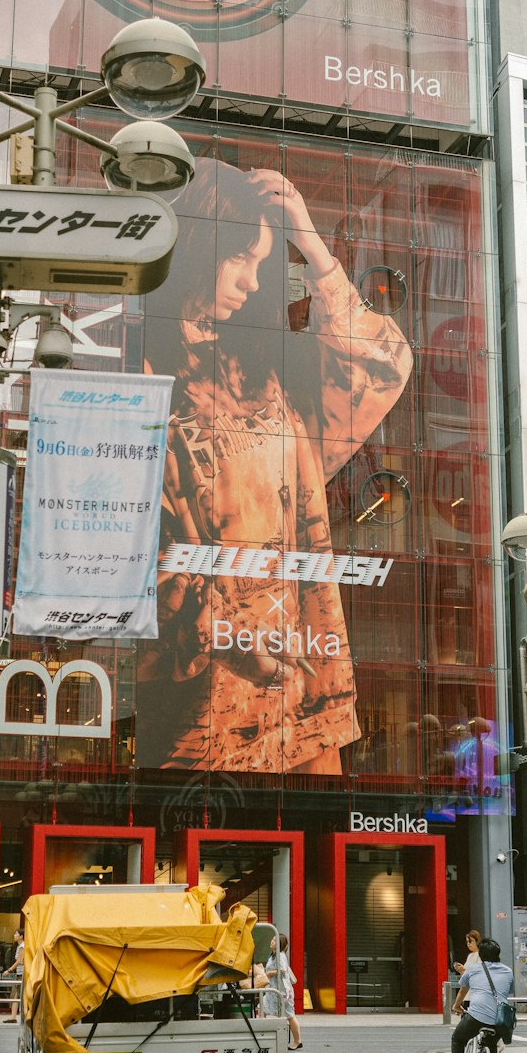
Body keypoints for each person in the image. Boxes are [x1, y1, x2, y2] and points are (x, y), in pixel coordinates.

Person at [137, 156, 413, 772]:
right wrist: (224, 634)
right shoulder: (144, 378)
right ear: (201, 248)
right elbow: (140, 550)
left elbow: (381, 366)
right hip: (208, 706)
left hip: (304, 701)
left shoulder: (264, 377)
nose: (253, 284)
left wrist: (310, 243)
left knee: (313, 860)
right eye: (240, 259)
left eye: (263, 265)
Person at [447, 936, 513, 1053]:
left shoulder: (473, 969)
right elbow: (508, 991)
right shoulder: (508, 971)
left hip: (476, 1017)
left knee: (457, 1039)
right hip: (500, 1019)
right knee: (491, 1042)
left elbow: (463, 989)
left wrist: (457, 1006)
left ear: (481, 955)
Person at [261, 932, 303, 1050]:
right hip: (272, 990)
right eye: (272, 939)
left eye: (274, 940)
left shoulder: (281, 955)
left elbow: (283, 970)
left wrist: (269, 973)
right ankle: (262, 1035)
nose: (272, 942)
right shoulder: (273, 955)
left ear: (279, 944)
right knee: (262, 1008)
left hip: (283, 991)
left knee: (289, 1015)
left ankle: (298, 1040)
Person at [2, 927, 24, 1023]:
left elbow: (19, 961)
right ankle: (13, 1017)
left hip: (22, 974)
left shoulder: (22, 946)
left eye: (16, 934)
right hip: (19, 973)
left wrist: (9, 970)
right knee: (15, 995)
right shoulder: (19, 946)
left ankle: (16, 1016)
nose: (14, 935)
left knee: (18, 995)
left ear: (21, 936)